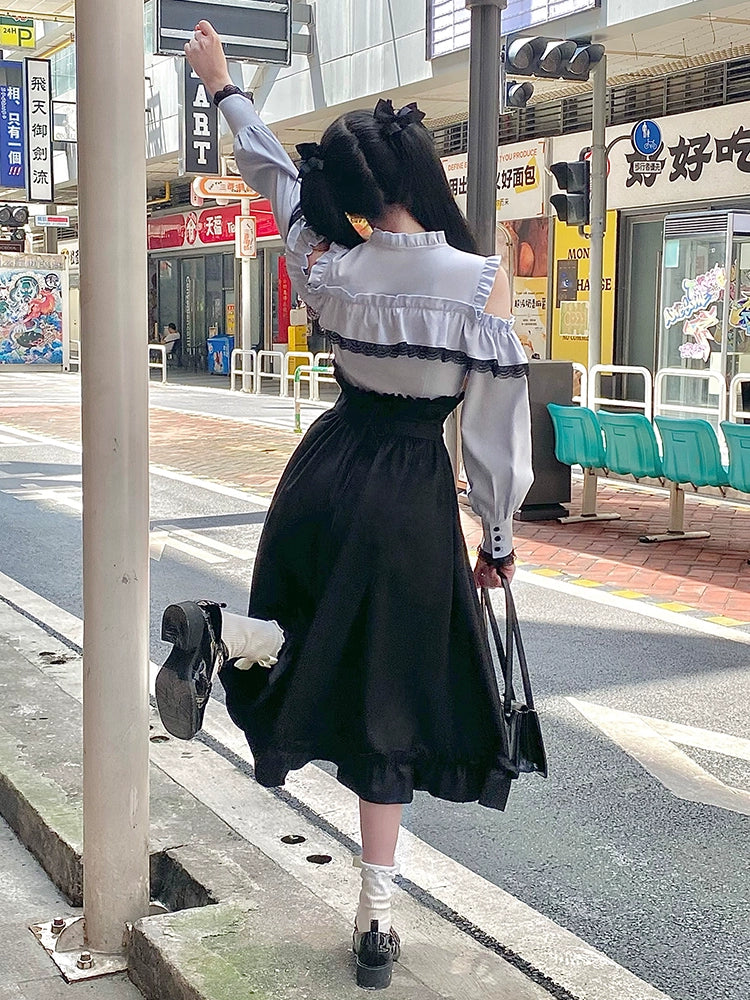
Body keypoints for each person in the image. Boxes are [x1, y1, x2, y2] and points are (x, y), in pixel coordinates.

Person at [155, 20, 533, 991]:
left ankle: (220, 632)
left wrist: (221, 86)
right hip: (407, 498)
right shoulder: (476, 285)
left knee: (308, 635)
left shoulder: (328, 266)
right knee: (389, 698)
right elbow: (494, 431)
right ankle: (374, 917)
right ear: (420, 178)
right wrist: (496, 532)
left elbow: (275, 177)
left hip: (322, 475)